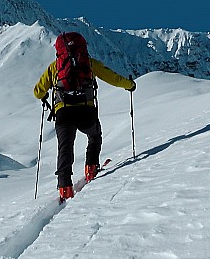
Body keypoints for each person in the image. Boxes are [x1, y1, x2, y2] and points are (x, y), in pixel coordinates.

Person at [33, 32, 136, 202]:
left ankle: (65, 188)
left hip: (63, 113)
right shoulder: (88, 63)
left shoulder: (55, 67)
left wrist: (46, 92)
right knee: (94, 136)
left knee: (65, 148)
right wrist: (129, 85)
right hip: (86, 111)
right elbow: (112, 77)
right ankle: (91, 168)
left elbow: (38, 92)